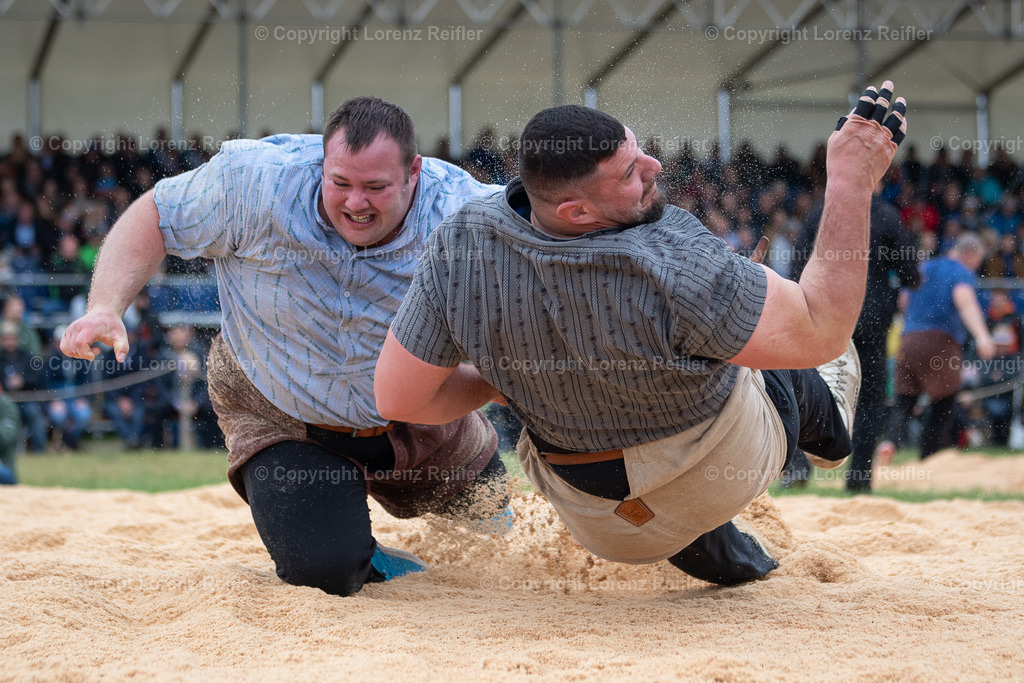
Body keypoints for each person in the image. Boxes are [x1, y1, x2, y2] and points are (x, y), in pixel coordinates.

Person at [375, 83, 908, 585]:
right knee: (764, 354)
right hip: (712, 474)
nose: (653, 167)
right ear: (577, 211)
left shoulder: (458, 246)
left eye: (639, 153)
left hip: (596, 519)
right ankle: (831, 425)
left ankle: (721, 551)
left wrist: (504, 379)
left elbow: (397, 397)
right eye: (630, 172)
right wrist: (850, 180)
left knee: (651, 418)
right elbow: (823, 330)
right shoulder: (672, 255)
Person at [60, 97, 511, 596]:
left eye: (376, 187)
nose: (355, 203)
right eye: (340, 183)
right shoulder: (254, 183)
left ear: (414, 173)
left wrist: (507, 374)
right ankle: (364, 550)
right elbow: (155, 215)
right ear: (322, 163)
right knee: (328, 572)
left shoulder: (468, 215)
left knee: (499, 539)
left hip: (421, 412)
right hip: (282, 413)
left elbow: (552, 267)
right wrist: (105, 305)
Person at [788, 188, 921, 492]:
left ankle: (796, 466)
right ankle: (858, 478)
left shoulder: (821, 210)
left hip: (825, 312)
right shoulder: (886, 215)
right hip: (870, 316)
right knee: (870, 398)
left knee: (805, 386)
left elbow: (798, 266)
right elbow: (911, 274)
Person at [893, 233, 996, 458]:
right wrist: (982, 336)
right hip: (940, 341)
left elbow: (903, 301)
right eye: (978, 261)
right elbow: (964, 300)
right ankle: (928, 455)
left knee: (905, 399)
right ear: (969, 254)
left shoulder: (924, 267)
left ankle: (889, 443)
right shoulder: (961, 272)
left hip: (908, 339)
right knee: (944, 399)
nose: (977, 267)